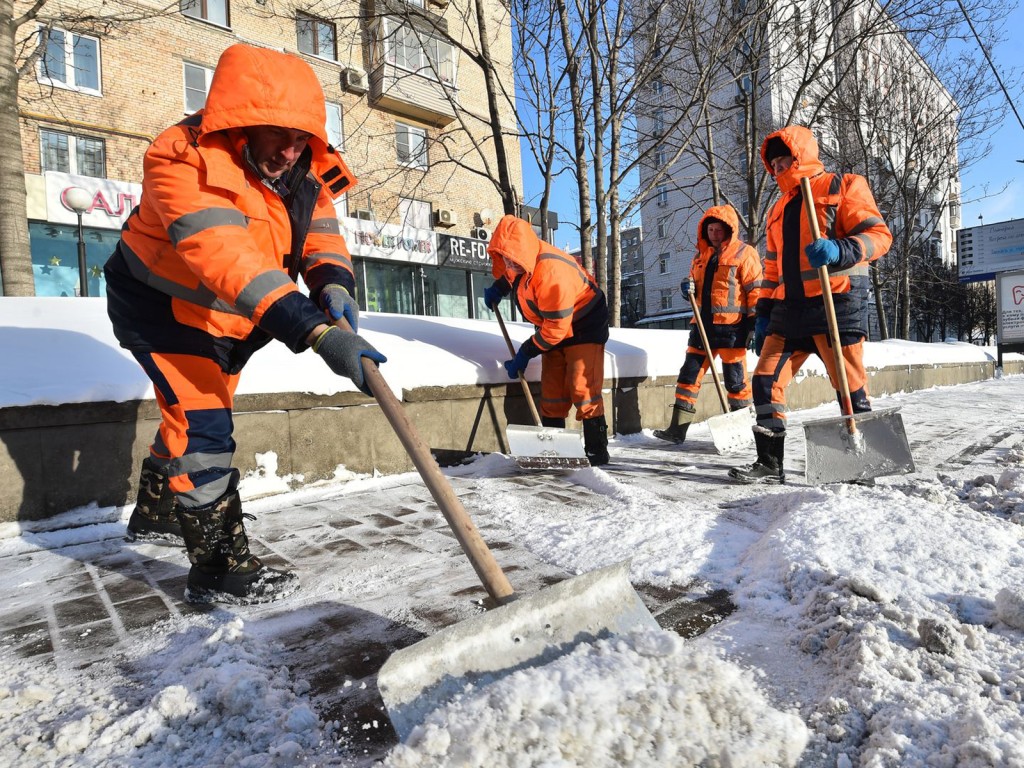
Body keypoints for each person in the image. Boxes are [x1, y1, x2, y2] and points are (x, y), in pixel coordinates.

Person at [104, 44, 385, 604]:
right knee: (205, 430)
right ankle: (219, 569)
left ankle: (158, 511)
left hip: (234, 319)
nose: (290, 150)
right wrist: (317, 332)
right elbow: (228, 259)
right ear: (240, 123)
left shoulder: (304, 170)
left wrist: (332, 283)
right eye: (277, 133)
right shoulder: (180, 158)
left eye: (301, 136)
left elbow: (320, 234)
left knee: (189, 418)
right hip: (163, 310)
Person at [729, 125, 891, 484]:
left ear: (799, 155)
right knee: (765, 380)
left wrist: (840, 250)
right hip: (788, 312)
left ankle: (862, 462)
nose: (776, 169)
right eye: (772, 164)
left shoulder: (843, 185)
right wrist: (763, 314)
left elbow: (879, 236)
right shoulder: (777, 209)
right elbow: (772, 268)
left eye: (782, 160)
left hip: (836, 302)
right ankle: (769, 463)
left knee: (848, 385)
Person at [483, 215, 611, 466]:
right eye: (505, 258)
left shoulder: (552, 273)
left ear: (525, 250)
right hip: (553, 321)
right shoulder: (519, 260)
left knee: (582, 387)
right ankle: (555, 450)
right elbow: (514, 274)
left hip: (585, 322)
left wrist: (526, 351)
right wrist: (500, 287)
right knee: (552, 392)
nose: (510, 263)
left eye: (513, 258)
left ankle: (597, 450)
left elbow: (556, 329)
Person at [654, 204, 762, 444]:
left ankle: (741, 429)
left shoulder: (744, 253)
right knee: (688, 376)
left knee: (736, 381)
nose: (714, 234)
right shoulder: (700, 256)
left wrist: (755, 323)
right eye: (710, 229)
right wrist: (687, 288)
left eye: (718, 229)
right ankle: (677, 429)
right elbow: (695, 289)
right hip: (702, 328)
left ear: (729, 230)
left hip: (733, 329)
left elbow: (755, 290)